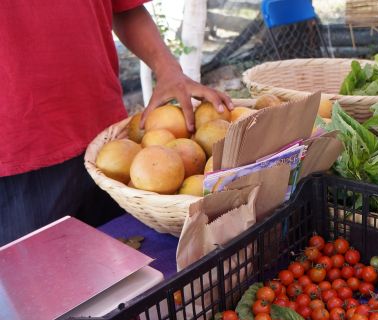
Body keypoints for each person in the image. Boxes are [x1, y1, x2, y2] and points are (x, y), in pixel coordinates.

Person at [0, 1, 234, 246]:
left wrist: (167, 68)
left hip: (115, 151)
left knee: (140, 271)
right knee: (42, 277)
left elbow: (124, 7)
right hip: (18, 162)